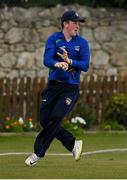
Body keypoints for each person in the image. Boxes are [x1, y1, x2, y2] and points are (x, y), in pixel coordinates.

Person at [25, 10, 90, 166]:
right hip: (53, 86)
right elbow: (47, 59)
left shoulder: (82, 43)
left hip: (70, 88)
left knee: (55, 118)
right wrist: (57, 63)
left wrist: (70, 61)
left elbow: (85, 65)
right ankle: (73, 144)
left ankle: (37, 154)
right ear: (65, 23)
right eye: (75, 22)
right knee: (45, 120)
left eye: (79, 23)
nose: (77, 26)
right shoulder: (53, 39)